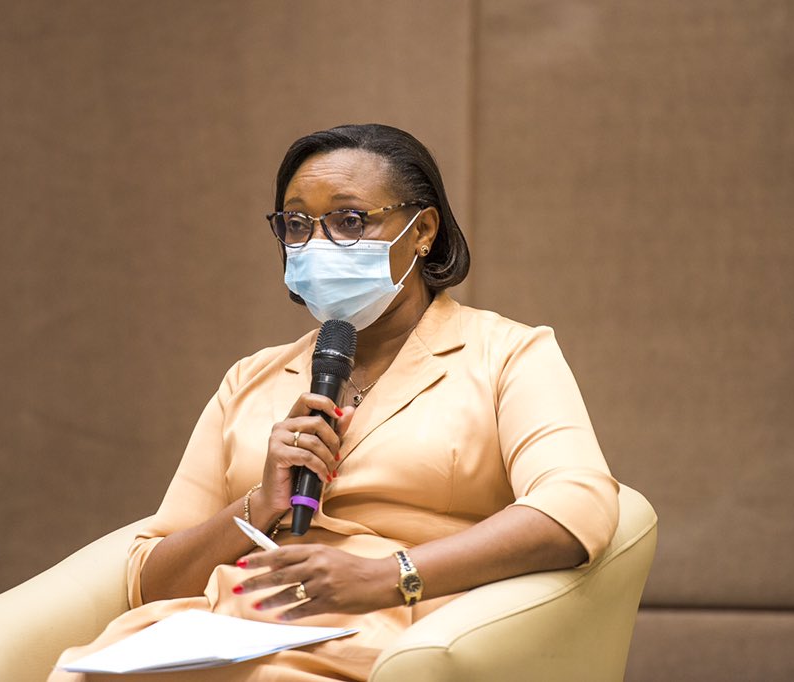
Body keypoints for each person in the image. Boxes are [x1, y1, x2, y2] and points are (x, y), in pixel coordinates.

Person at [49, 124, 619, 681]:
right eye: (298, 225)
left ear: (422, 231)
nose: (318, 245)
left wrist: (388, 575)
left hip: (392, 638)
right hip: (218, 635)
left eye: (350, 221)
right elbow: (150, 581)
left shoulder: (507, 354)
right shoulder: (250, 377)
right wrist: (258, 503)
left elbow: (576, 508)